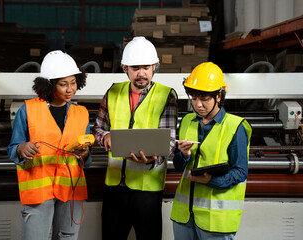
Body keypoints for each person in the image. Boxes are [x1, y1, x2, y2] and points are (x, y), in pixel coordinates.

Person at [93, 36, 178, 240]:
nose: (141, 73)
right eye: (135, 68)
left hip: (147, 190)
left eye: (146, 67)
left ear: (155, 66)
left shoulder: (166, 95)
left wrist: (153, 159)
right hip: (114, 188)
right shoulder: (113, 92)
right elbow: (98, 128)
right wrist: (105, 138)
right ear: (125, 68)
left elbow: (170, 141)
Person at [7, 50, 91, 240]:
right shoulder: (27, 110)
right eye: (63, 84)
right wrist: (21, 149)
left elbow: (87, 154)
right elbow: (13, 147)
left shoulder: (82, 113)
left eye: (73, 82)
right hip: (39, 191)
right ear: (49, 85)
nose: (70, 89)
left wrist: (85, 153)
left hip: (70, 189)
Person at [170, 62, 252, 240]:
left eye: (204, 99)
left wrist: (211, 180)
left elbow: (240, 172)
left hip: (216, 221)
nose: (198, 105)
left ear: (219, 96)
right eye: (194, 98)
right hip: (184, 216)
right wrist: (183, 155)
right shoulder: (187, 121)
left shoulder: (235, 126)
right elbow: (178, 166)